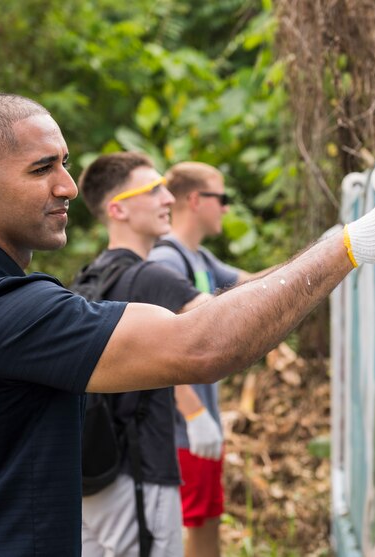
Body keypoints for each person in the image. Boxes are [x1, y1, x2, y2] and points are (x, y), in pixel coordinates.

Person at [0, 92, 375, 557]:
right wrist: (350, 245)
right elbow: (202, 345)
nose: (69, 187)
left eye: (65, 163)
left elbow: (219, 308)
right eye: (42, 169)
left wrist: (340, 246)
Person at [74, 151, 220, 556]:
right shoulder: (152, 277)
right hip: (140, 475)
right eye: (153, 189)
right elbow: (227, 327)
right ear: (118, 209)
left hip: (88, 474)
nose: (169, 198)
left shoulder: (88, 277)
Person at [148, 161, 254, 557]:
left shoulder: (199, 258)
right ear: (195, 200)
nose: (226, 207)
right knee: (190, 528)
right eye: (221, 198)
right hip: (181, 430)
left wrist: (331, 251)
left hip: (199, 426)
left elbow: (255, 286)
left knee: (207, 520)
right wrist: (193, 416)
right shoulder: (166, 263)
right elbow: (157, 349)